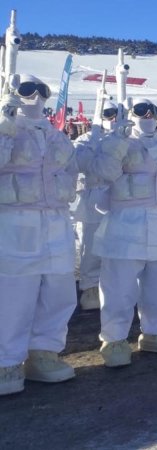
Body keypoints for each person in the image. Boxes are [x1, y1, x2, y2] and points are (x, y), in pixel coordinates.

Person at [92, 99, 157, 366]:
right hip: (126, 224)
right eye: (140, 111)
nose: (147, 116)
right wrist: (117, 142)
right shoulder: (117, 144)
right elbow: (103, 175)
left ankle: (156, 331)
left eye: (152, 112)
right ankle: (114, 339)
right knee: (118, 288)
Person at [0, 75, 80, 394]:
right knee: (14, 295)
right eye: (27, 91)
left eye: (42, 91)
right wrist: (3, 125)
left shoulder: (56, 136)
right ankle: (6, 362)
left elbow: (70, 172)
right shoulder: (6, 127)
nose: (35, 97)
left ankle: (44, 352)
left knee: (58, 291)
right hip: (16, 220)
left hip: (56, 221)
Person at [71, 102, 118, 311]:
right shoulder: (85, 139)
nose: (112, 118)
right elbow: (78, 164)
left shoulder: (122, 139)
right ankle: (90, 287)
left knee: (117, 246)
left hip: (116, 196)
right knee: (90, 246)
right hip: (92, 196)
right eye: (107, 114)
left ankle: (112, 285)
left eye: (115, 114)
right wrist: (94, 137)